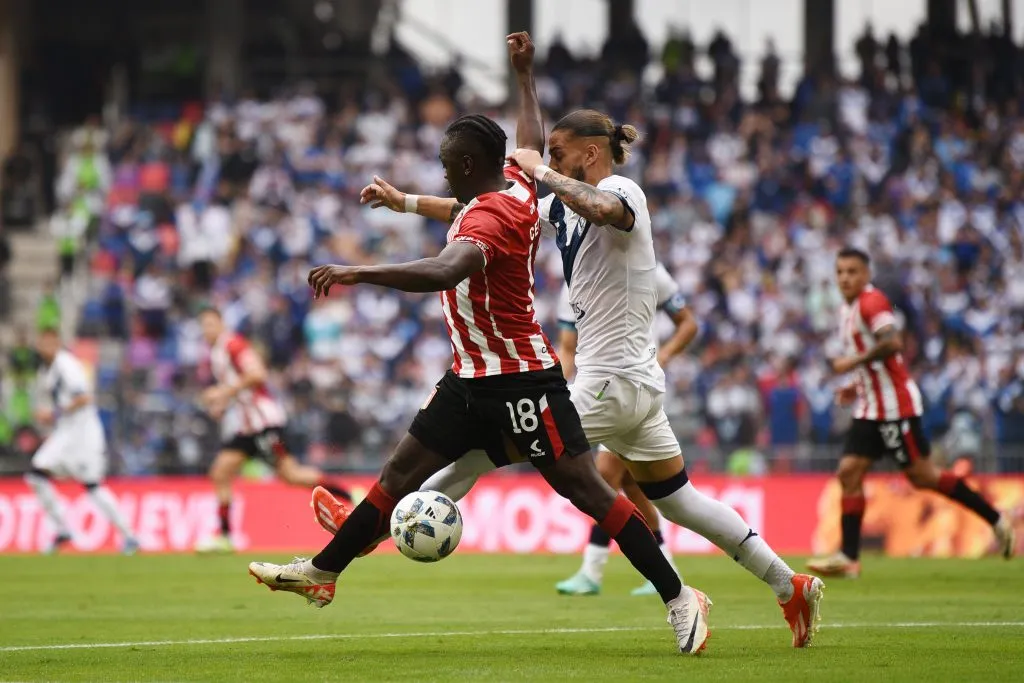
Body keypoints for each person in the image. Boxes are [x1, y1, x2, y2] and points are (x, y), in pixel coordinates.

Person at [248, 33, 712, 656]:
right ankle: (324, 573)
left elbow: (445, 271)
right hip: (469, 379)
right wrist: (524, 80)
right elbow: (525, 145)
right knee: (399, 472)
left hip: (522, 380)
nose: (442, 170)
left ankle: (681, 596)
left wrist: (358, 272)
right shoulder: (518, 190)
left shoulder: (486, 217)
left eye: (446, 163)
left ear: (466, 167)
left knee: (589, 492)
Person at [314, 107, 824, 648]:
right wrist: (405, 202)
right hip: (633, 387)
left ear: (592, 152)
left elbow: (604, 207)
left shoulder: (624, 189)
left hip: (609, 381)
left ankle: (368, 529)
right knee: (680, 501)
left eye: (558, 153)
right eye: (548, 153)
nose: (547, 161)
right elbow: (484, 209)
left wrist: (541, 169)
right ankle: (788, 584)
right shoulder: (560, 202)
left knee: (482, 445)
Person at [807, 248, 1015, 578]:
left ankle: (996, 519)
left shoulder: (872, 303)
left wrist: (851, 364)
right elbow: (878, 360)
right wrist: (856, 385)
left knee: (923, 476)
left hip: (894, 409)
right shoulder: (847, 310)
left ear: (866, 275)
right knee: (849, 472)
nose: (845, 277)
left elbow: (892, 343)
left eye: (853, 271)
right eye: (841, 271)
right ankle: (848, 558)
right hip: (870, 406)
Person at [554, 264, 697, 596]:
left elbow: (688, 323)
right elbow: (568, 349)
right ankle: (666, 567)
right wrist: (556, 390)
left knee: (605, 476)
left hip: (634, 390)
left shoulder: (647, 269)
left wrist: (663, 356)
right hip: (594, 393)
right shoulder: (570, 284)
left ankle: (592, 569)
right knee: (632, 485)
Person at [192, 306, 352, 554]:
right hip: (247, 426)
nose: (207, 330)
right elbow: (243, 389)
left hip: (264, 423)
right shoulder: (217, 353)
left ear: (222, 324)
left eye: (211, 324)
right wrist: (223, 403)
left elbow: (257, 374)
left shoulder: (234, 345)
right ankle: (225, 536)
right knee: (220, 471)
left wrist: (223, 392)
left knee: (292, 475)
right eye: (204, 326)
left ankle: (350, 496)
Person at [25, 330, 139, 554]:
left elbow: (85, 397)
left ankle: (129, 536)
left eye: (50, 342)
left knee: (93, 485)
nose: (46, 346)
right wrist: (49, 417)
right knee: (35, 475)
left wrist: (54, 414)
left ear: (58, 343)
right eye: (42, 342)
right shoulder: (45, 371)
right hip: (65, 432)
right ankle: (62, 530)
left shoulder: (67, 365)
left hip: (83, 433)